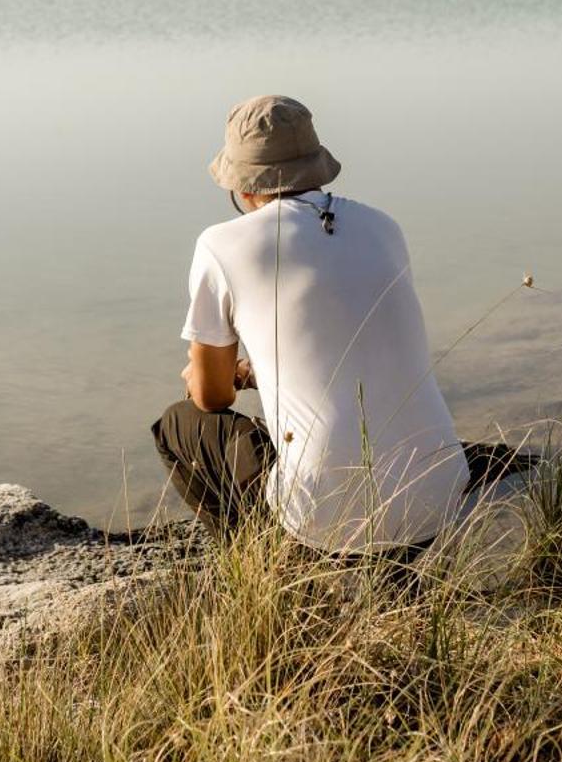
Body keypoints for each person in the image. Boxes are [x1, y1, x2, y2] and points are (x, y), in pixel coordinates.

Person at [151, 94, 476, 558]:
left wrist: (215, 377)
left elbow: (211, 396)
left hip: (326, 515)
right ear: (316, 168)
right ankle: (389, 571)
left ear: (242, 188)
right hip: (439, 494)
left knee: (177, 425)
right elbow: (348, 346)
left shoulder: (221, 245)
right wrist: (250, 372)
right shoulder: (384, 226)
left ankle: (259, 563)